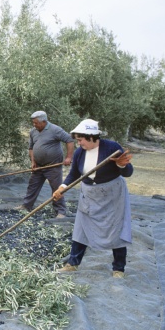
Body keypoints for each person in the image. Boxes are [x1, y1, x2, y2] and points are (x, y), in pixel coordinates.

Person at [53, 119, 133, 278]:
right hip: (89, 195)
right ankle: (72, 264)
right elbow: (73, 175)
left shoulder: (112, 148)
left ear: (91, 137)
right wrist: (61, 188)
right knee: (81, 229)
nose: (78, 143)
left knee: (116, 230)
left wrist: (122, 165)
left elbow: (128, 173)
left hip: (112, 196)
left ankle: (118, 269)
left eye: (80, 139)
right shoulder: (79, 153)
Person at [15, 111, 75, 219]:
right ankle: (26, 205)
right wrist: (33, 162)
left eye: (36, 123)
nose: (34, 125)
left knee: (57, 188)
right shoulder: (33, 131)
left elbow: (70, 140)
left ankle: (61, 211)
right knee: (32, 186)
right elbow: (31, 148)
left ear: (44, 122)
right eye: (33, 123)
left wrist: (69, 157)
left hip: (53, 166)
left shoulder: (55, 130)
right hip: (38, 166)